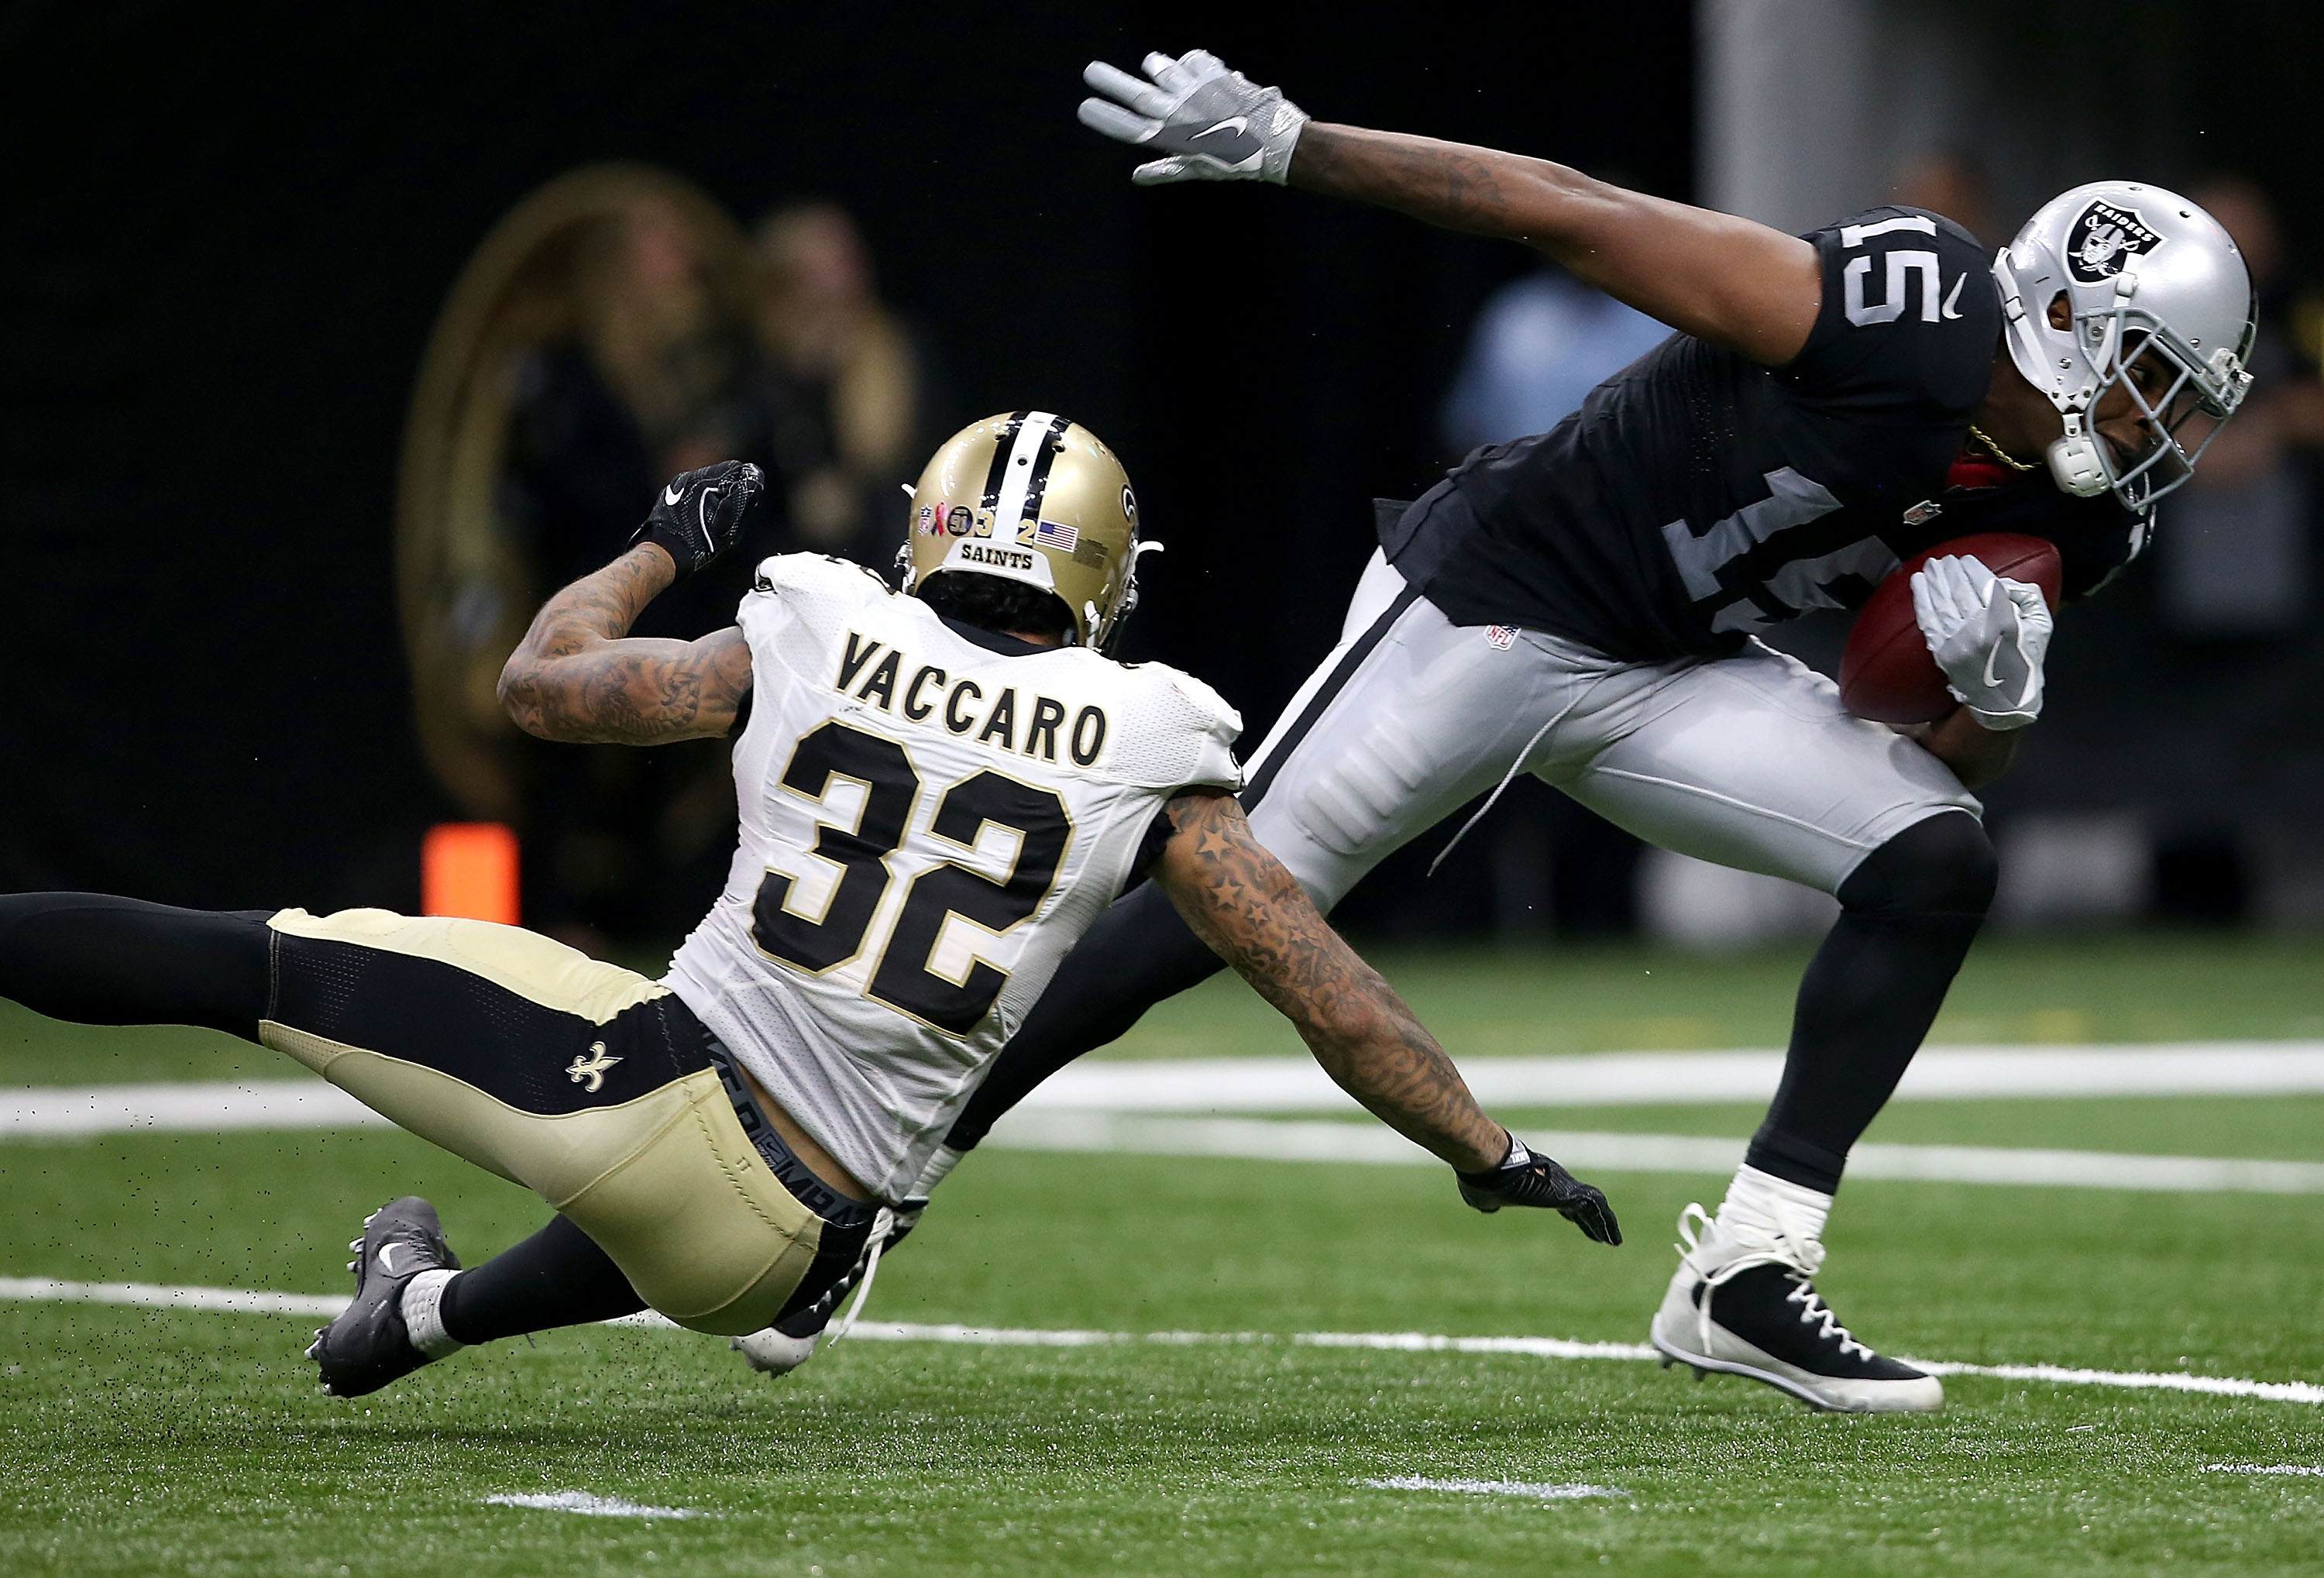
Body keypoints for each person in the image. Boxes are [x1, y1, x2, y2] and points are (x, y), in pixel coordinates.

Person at [887, 50, 2257, 1415]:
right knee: (1221, 902)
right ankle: (891, 1170)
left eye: (2190, 394)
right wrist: (1298, 144)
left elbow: (1942, 752)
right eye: (2157, 374)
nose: (2171, 423)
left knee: (1938, 857)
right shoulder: (1905, 312)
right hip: (1500, 596)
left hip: (1672, 663)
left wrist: (2000, 706)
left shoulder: (2089, 513)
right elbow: (1572, 208)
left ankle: (1751, 1271)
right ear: (2072, 320)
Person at [0, 427, 1620, 1401]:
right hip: (792, 1260)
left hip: (664, 1097)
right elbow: (1329, 991)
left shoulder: (812, 614)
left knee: (245, 960)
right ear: (1104, 570)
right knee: (685, 1186)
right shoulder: (1159, 732)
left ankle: (405, 1292)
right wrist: (1489, 1150)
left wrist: (655, 542)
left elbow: (539, 688)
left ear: (932, 522)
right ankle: (408, 1318)